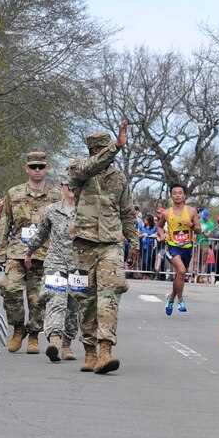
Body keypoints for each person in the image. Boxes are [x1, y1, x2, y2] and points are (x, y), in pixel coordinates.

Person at [67, 121, 138, 374]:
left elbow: (127, 212)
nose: (101, 154)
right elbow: (89, 167)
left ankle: (106, 350)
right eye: (98, 149)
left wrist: (134, 243)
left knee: (109, 296)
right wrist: (116, 146)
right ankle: (89, 351)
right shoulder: (78, 170)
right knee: (85, 300)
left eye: (104, 148)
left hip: (110, 244)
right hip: (83, 245)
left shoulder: (118, 178)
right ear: (91, 152)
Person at [0, 151, 61, 354]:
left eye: (41, 166)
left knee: (38, 298)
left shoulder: (55, 196)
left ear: (47, 168)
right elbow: (5, 223)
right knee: (9, 288)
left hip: (44, 253)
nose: (37, 170)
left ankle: (33, 334)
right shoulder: (14, 193)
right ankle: (18, 327)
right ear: (27, 169)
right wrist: (0, 252)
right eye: (33, 167)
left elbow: (60, 227)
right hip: (17, 251)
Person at [25, 172, 81, 363]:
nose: (71, 189)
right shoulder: (50, 210)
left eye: (74, 185)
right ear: (61, 187)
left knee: (74, 305)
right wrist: (29, 252)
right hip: (55, 261)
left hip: (78, 264)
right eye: (67, 185)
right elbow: (41, 234)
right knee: (56, 299)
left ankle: (67, 345)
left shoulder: (85, 212)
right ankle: (54, 340)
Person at [157, 184, 201, 315]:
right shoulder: (166, 213)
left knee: (180, 275)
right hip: (172, 247)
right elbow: (159, 227)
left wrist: (192, 225)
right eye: (174, 193)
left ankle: (171, 298)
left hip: (187, 247)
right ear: (171, 196)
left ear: (184, 195)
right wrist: (162, 234)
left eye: (180, 193)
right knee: (181, 271)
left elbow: (199, 230)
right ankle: (180, 300)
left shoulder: (192, 211)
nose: (177, 195)